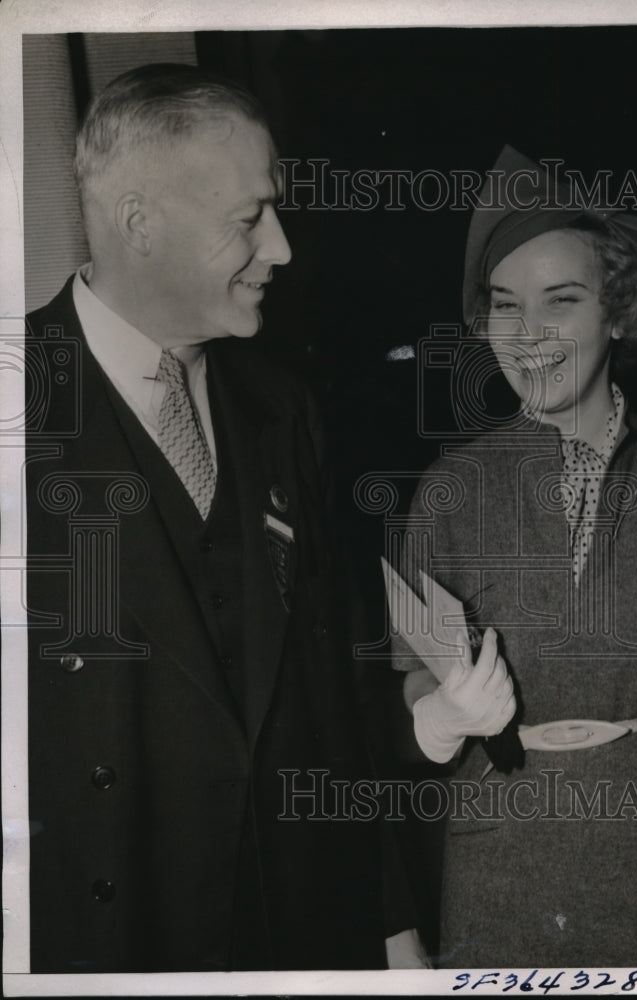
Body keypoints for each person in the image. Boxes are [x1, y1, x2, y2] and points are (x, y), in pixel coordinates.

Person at [24, 62, 420, 973]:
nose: (279, 248)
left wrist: (391, 921)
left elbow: (332, 693)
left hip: (302, 932)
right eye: (248, 221)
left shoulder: (283, 408)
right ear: (140, 223)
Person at [394, 146, 637, 968]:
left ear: (617, 310)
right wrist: (436, 719)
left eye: (562, 300)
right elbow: (406, 676)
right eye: (506, 306)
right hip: (496, 868)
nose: (529, 336)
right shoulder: (449, 490)